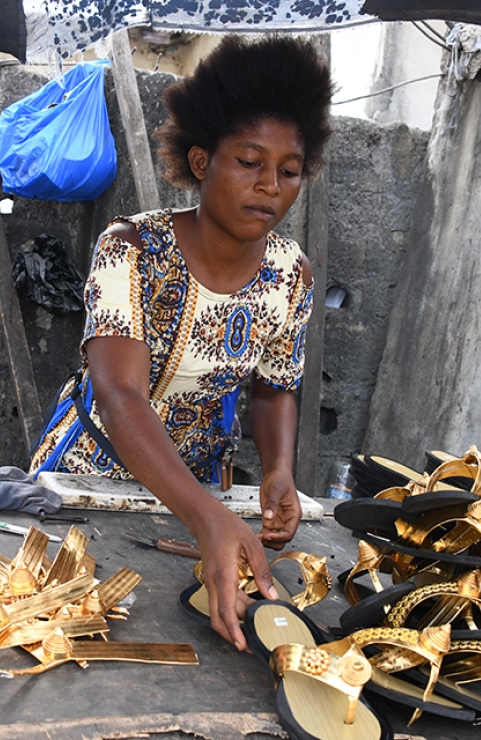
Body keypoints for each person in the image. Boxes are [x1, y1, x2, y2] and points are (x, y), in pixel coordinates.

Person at [30, 34, 333, 650]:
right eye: (249, 162)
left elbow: (274, 388)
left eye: (289, 171)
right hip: (91, 479)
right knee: (71, 630)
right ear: (201, 162)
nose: (270, 185)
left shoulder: (291, 273)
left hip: (204, 490)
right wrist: (206, 517)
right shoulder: (131, 250)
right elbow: (120, 395)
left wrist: (279, 470)